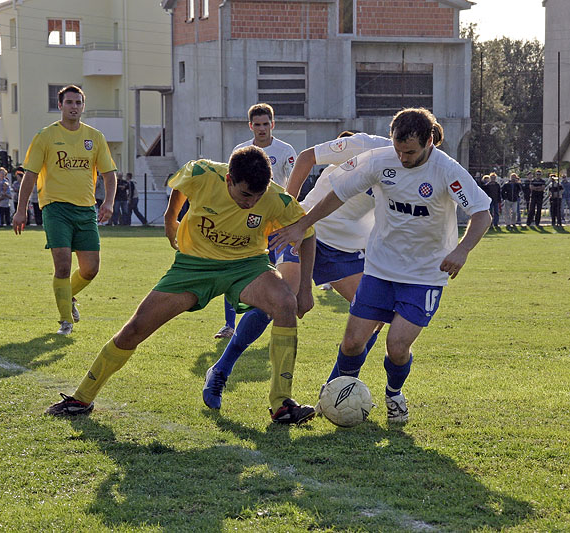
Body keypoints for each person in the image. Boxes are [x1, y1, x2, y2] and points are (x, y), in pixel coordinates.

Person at [45, 146, 318, 425]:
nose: (252, 202)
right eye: (246, 195)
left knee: (285, 302)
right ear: (228, 180)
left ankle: (282, 403)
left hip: (246, 266)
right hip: (193, 267)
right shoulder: (204, 172)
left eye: (258, 196)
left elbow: (307, 233)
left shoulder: (275, 198)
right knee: (135, 328)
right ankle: (81, 398)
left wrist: (305, 291)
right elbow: (181, 185)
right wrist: (170, 218)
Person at [271, 108, 492, 424]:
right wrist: (303, 224)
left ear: (429, 142)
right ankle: (342, 395)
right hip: (379, 269)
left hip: (424, 275)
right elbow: (338, 194)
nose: (402, 158)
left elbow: (482, 213)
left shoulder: (447, 170)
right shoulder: (381, 160)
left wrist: (462, 250)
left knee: (397, 346)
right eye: (398, 150)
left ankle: (394, 394)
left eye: (410, 153)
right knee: (352, 343)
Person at [202, 130, 389, 411]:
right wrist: (287, 207)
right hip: (306, 228)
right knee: (280, 300)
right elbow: (306, 157)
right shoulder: (365, 144)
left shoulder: (421, 174)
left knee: (375, 314)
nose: (409, 156)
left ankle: (335, 390)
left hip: (346, 249)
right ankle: (220, 370)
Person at [13, 84, 118, 335]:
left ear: (83, 106)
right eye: (69, 102)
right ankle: (65, 321)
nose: (74, 107)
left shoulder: (95, 137)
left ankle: (67, 296)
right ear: (60, 105)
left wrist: (109, 202)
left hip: (86, 210)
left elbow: (109, 174)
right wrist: (20, 209)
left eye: (78, 103)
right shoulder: (46, 136)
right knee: (62, 265)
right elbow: (30, 175)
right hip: (55, 208)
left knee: (91, 269)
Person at [214, 103, 298, 339]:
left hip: (275, 221)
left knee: (272, 271)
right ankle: (229, 325)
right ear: (250, 126)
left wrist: (289, 214)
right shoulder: (241, 150)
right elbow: (231, 183)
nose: (262, 129)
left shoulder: (285, 150)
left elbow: (295, 184)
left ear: (273, 124)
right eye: (257, 124)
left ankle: (266, 317)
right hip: (245, 219)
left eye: (266, 124)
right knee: (235, 268)